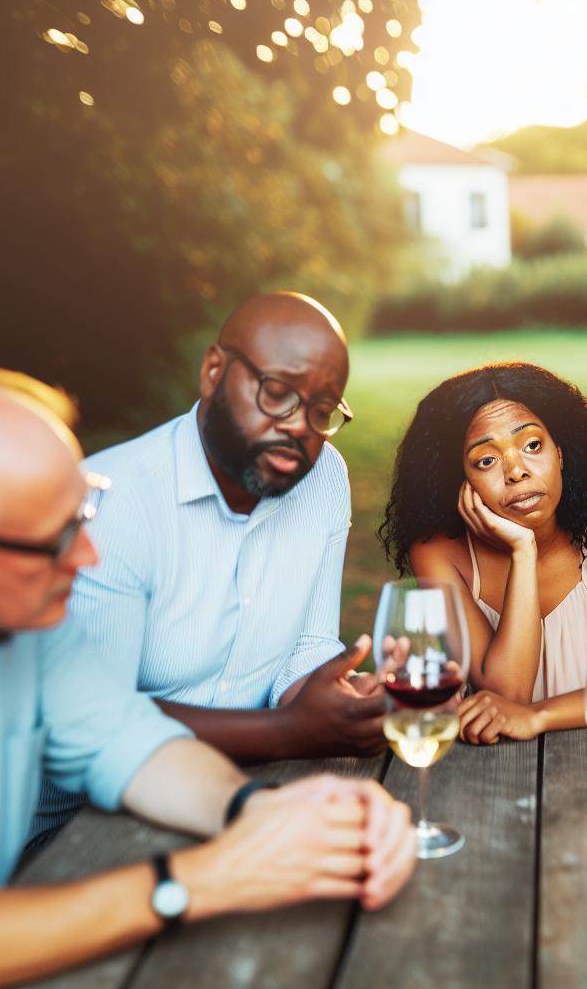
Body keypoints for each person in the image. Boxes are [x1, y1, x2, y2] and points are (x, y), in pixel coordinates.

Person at [0, 363, 415, 989]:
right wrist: (198, 882)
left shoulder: (22, 621)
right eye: (57, 537)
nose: (87, 554)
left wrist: (261, 810)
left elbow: (133, 745)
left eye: (84, 512)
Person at [30, 292, 384, 841]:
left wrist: (343, 698)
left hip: (235, 790)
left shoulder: (323, 479)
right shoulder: (112, 503)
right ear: (214, 371)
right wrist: (289, 731)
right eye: (277, 393)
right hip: (69, 830)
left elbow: (306, 646)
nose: (298, 426)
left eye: (321, 410)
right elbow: (97, 719)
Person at [378, 362, 587, 743]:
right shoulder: (439, 553)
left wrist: (537, 717)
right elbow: (507, 695)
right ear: (459, 481)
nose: (516, 471)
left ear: (561, 452)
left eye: (532, 445)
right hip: (495, 771)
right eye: (487, 460)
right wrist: (522, 549)